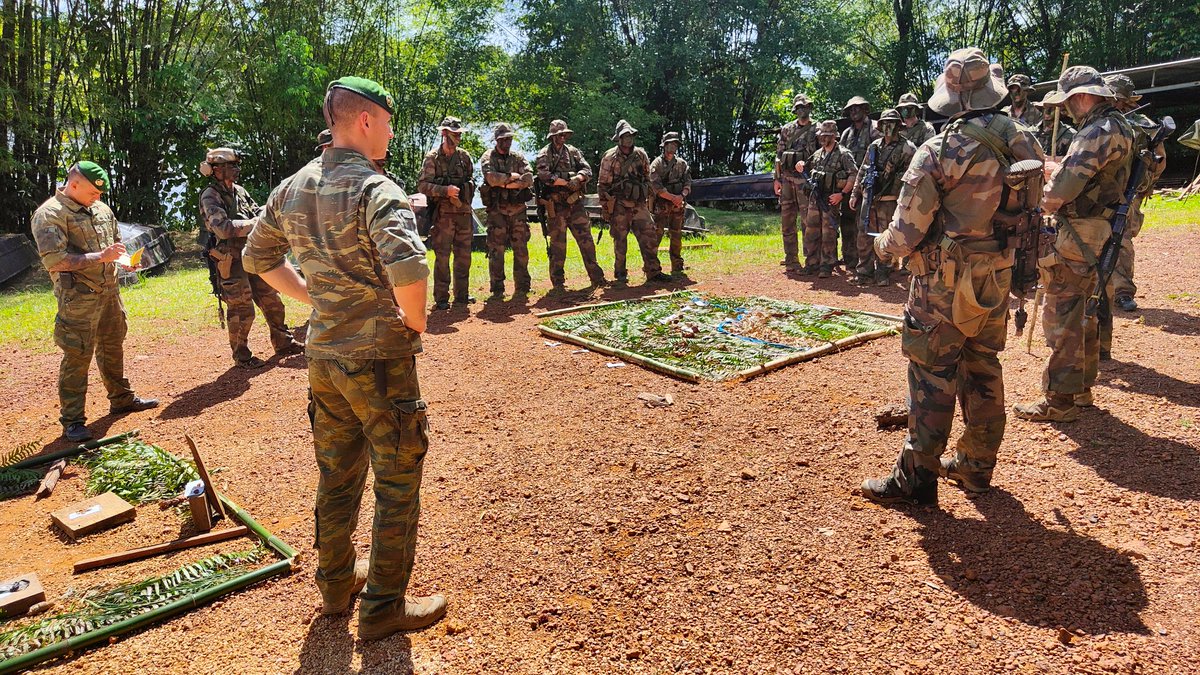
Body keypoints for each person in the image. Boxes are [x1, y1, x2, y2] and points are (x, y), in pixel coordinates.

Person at [242, 76, 446, 639]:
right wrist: (415, 321)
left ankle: (335, 586)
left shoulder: (290, 187)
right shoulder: (377, 191)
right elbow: (410, 270)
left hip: (324, 357)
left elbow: (256, 257)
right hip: (379, 358)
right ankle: (383, 605)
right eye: (387, 122)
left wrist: (315, 298)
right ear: (364, 121)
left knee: (336, 474)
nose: (391, 133)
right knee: (398, 478)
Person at [861, 48, 1043, 505]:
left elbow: (905, 233)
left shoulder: (939, 150)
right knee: (983, 367)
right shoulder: (1023, 139)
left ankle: (916, 479)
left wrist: (881, 245)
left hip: (944, 283)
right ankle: (976, 468)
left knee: (932, 374)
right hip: (999, 275)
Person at [1013, 66, 1133, 422]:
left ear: (1082, 96)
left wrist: (1045, 195)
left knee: (1062, 311)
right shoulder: (1121, 126)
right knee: (1086, 310)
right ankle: (1081, 389)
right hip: (1102, 228)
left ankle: (1060, 400)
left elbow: (1061, 191)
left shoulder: (1097, 131)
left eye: (1068, 103)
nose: (1067, 111)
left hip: (1078, 231)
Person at [32, 160, 160, 442]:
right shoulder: (49, 215)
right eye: (92, 192)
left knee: (113, 345)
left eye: (100, 193)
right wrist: (101, 258)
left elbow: (114, 244)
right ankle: (73, 420)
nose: (98, 197)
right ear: (73, 185)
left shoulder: (101, 209)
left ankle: (121, 398)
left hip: (110, 293)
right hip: (78, 299)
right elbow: (55, 261)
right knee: (77, 356)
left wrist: (125, 261)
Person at [198, 148, 301, 369]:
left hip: (251, 255)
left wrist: (267, 211)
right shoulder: (210, 195)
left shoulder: (240, 191)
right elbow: (223, 229)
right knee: (241, 309)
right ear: (216, 170)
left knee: (272, 299)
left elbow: (255, 211)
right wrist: (256, 223)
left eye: (236, 165)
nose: (237, 169)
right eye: (231, 166)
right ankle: (241, 356)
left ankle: (284, 343)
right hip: (230, 261)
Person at [1105, 73, 1166, 315]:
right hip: (1105, 189)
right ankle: (1103, 288)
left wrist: (1142, 185)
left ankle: (1123, 292)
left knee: (1122, 240)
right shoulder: (1105, 121)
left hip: (1129, 192)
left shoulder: (1143, 125)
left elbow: (1159, 162)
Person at [535, 119, 607, 289]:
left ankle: (597, 279)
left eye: (564, 134)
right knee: (558, 246)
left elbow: (587, 169)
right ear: (553, 136)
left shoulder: (573, 152)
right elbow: (544, 176)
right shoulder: (544, 154)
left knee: (587, 241)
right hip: (556, 207)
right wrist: (565, 182)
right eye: (559, 135)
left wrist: (578, 178)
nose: (562, 137)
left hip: (575, 205)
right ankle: (558, 283)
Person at [850, 108, 916, 286]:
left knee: (885, 237)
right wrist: (855, 193)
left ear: (898, 126)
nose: (888, 126)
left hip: (890, 201)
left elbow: (912, 178)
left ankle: (883, 272)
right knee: (863, 235)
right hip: (869, 199)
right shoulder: (874, 147)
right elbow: (862, 170)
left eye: (892, 123)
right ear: (880, 125)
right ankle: (864, 271)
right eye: (885, 123)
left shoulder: (908, 148)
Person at [599, 120, 668, 284]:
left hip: (638, 203)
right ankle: (620, 274)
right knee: (620, 240)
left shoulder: (640, 154)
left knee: (649, 235)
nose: (629, 139)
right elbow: (602, 184)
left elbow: (647, 178)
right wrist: (606, 208)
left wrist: (648, 198)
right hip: (619, 204)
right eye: (625, 136)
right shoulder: (610, 157)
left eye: (631, 135)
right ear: (619, 138)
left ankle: (653, 271)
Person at [418, 116, 476, 310]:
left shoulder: (464, 157)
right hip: (443, 217)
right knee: (442, 257)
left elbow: (471, 180)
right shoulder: (432, 158)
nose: (458, 137)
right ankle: (441, 298)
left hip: (463, 213)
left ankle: (462, 295)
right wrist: (445, 191)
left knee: (464, 255)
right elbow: (423, 186)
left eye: (459, 134)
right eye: (454, 134)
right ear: (444, 133)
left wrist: (464, 191)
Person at [479, 123, 535, 299]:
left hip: (517, 211)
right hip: (497, 212)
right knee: (496, 251)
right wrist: (512, 178)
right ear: (497, 140)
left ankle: (522, 287)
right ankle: (497, 289)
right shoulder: (488, 157)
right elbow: (491, 178)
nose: (507, 142)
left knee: (521, 249)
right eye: (503, 139)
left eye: (509, 139)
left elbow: (528, 178)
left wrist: (507, 183)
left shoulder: (518, 157)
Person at [798, 120, 857, 277]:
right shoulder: (818, 154)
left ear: (834, 136)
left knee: (828, 233)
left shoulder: (844, 154)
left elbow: (853, 174)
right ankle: (812, 263)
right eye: (821, 136)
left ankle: (827, 264)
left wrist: (842, 194)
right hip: (814, 198)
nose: (822, 139)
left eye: (826, 136)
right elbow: (806, 165)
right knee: (811, 230)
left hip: (831, 199)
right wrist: (801, 164)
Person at [774, 94, 820, 271]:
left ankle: (811, 259)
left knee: (808, 221)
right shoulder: (787, 129)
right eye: (799, 107)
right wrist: (776, 179)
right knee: (787, 220)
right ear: (795, 109)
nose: (802, 110)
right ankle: (791, 258)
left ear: (809, 108)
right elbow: (779, 155)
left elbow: (822, 154)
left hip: (806, 181)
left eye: (805, 107)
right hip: (786, 180)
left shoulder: (817, 129)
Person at [838, 96, 880, 272]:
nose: (853, 112)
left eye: (857, 109)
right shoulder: (847, 133)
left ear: (865, 109)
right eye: (851, 110)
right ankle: (850, 257)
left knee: (867, 224)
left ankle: (873, 261)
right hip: (849, 184)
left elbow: (882, 152)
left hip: (869, 185)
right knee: (846, 221)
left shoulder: (875, 128)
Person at [650, 131, 693, 278]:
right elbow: (656, 187)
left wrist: (681, 196)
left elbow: (688, 182)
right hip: (662, 204)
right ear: (664, 145)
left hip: (678, 203)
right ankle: (652, 266)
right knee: (657, 234)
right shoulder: (656, 164)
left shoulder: (682, 164)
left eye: (675, 144)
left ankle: (677, 265)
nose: (673, 146)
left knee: (676, 234)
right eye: (670, 143)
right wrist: (672, 197)